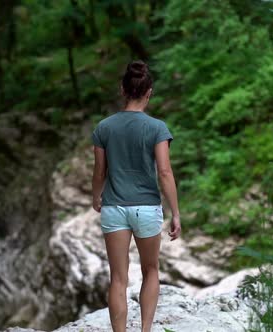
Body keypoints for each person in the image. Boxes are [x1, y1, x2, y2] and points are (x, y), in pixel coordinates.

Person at [90, 60, 181, 332]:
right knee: (150, 270)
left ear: (122, 89)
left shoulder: (104, 127)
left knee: (118, 278)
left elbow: (99, 171)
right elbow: (164, 172)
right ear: (149, 92)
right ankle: (145, 330)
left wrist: (97, 197)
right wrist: (176, 213)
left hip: (114, 207)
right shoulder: (157, 128)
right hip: (147, 209)